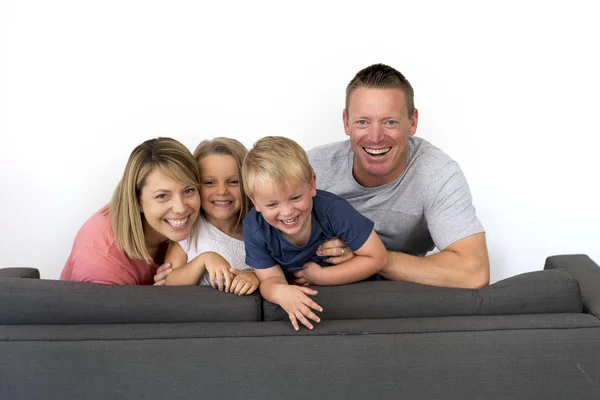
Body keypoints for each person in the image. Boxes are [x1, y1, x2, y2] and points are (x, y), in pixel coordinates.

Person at [307, 63, 490, 289]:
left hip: (397, 296)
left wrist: (370, 257)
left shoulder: (437, 173)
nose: (375, 137)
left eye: (390, 122)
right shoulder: (312, 168)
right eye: (363, 122)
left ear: (412, 122)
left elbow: (474, 272)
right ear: (346, 122)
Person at [242, 136, 387, 330]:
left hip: (358, 294)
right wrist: (280, 292)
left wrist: (322, 277)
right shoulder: (255, 228)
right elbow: (269, 279)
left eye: (295, 197)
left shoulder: (333, 210)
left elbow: (377, 257)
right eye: (272, 204)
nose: (287, 212)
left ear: (312, 183)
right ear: (255, 202)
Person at [60, 137, 202, 285]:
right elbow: (105, 308)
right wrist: (161, 296)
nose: (180, 208)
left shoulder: (200, 216)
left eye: (189, 190)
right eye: (162, 196)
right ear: (137, 200)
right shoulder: (101, 259)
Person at [160, 138, 259, 295]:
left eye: (233, 181)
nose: (221, 191)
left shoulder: (260, 232)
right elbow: (168, 281)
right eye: (209, 182)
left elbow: (277, 275)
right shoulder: (188, 230)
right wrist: (204, 260)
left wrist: (255, 278)